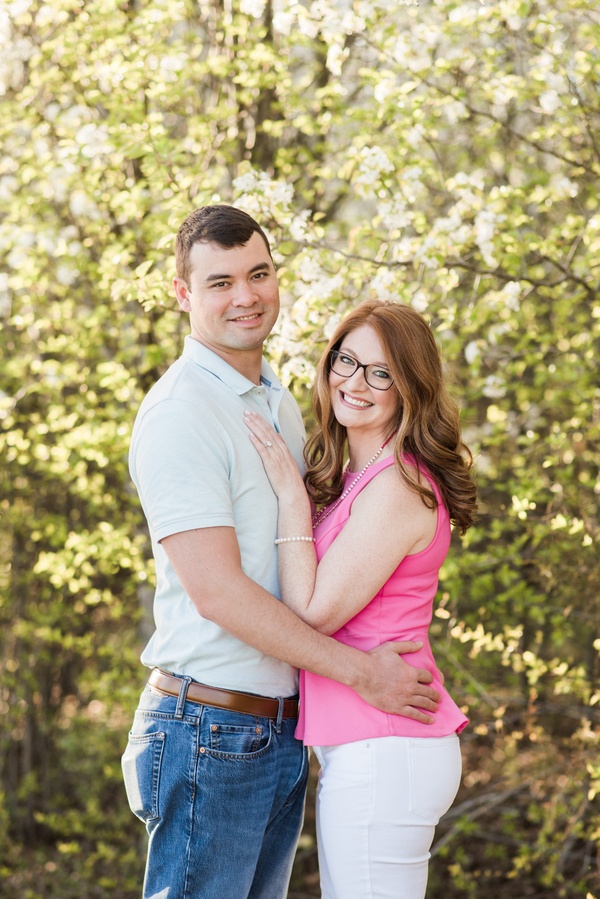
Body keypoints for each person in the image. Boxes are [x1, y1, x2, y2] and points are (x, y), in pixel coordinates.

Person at [121, 205, 443, 899]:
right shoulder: (183, 412)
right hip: (209, 725)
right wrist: (361, 672)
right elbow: (219, 592)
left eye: (258, 273)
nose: (246, 296)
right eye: (219, 282)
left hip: (279, 730)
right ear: (182, 292)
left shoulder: (278, 403)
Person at [244, 298, 477, 899]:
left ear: (409, 389)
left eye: (381, 373)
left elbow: (315, 612)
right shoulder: (362, 478)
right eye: (346, 361)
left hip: (387, 749)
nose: (356, 383)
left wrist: (292, 502)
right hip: (372, 746)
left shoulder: (399, 485)